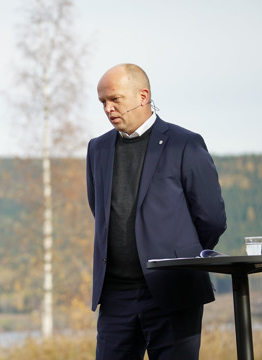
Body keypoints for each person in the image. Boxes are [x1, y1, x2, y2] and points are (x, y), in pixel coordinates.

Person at [86, 64, 226, 360]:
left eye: (114, 99)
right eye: (102, 102)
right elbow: (100, 213)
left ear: (142, 95)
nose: (108, 108)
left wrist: (181, 257)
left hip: (173, 292)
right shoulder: (97, 149)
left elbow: (211, 218)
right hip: (115, 297)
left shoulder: (184, 143)